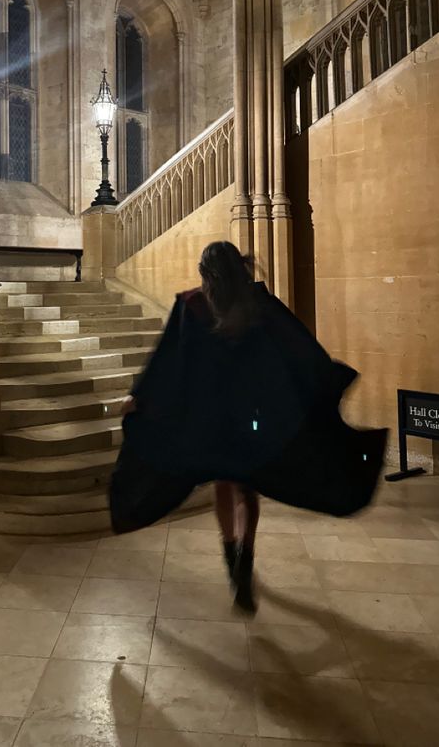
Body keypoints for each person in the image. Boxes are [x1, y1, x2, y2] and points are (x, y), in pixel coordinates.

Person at [110, 241, 388, 615]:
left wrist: (138, 397)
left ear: (206, 273)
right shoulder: (257, 304)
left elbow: (168, 361)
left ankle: (230, 556)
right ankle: (246, 556)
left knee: (224, 484)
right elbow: (297, 345)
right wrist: (325, 376)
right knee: (247, 488)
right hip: (254, 419)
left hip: (211, 421)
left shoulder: (192, 305)